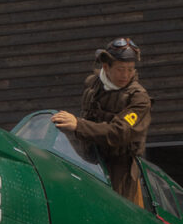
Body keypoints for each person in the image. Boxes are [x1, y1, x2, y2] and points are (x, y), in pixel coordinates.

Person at [51, 37, 151, 205]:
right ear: (106, 67)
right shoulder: (93, 85)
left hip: (120, 172)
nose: (125, 75)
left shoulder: (139, 99)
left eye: (130, 69)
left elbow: (120, 133)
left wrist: (78, 125)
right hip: (89, 163)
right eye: (120, 69)